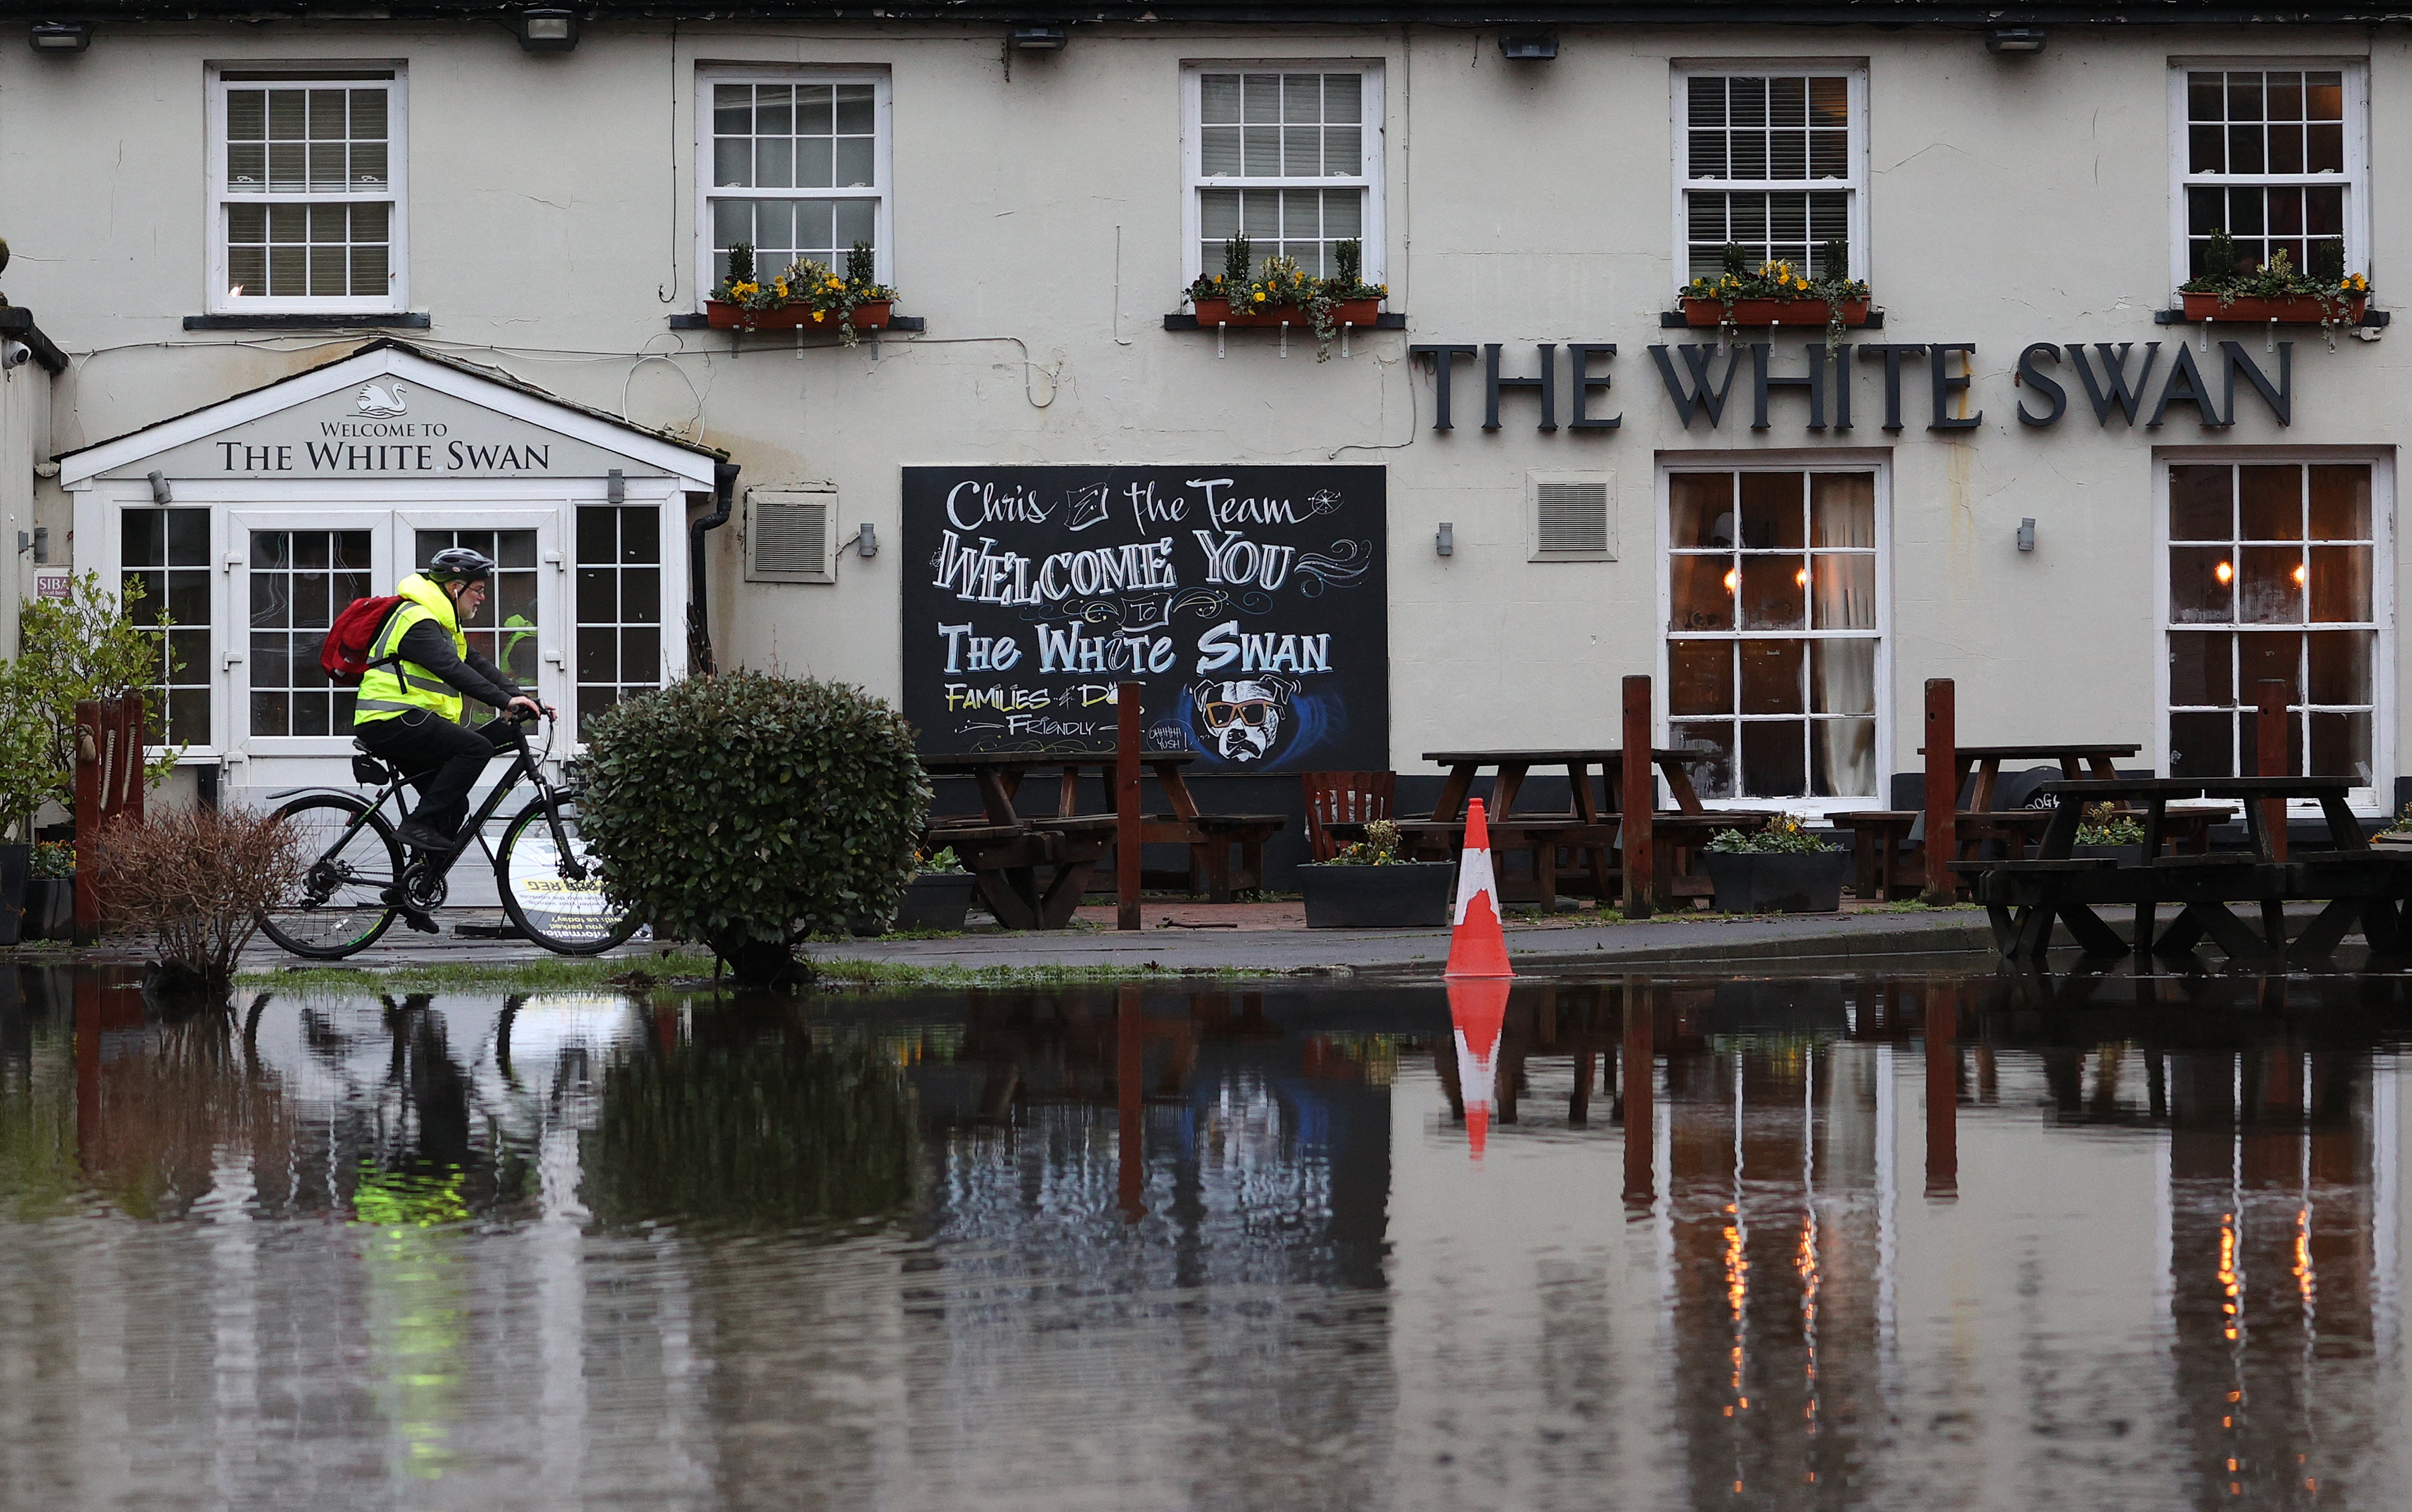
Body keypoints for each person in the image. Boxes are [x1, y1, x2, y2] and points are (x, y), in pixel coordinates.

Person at [352, 547, 553, 852]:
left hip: (411, 720)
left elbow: (475, 663)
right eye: (479, 590)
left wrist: (521, 697)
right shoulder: (417, 620)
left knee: (453, 809)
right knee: (477, 748)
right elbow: (452, 670)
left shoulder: (441, 623)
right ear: (456, 588)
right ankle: (417, 825)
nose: (483, 598)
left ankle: (412, 890)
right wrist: (504, 702)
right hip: (390, 720)